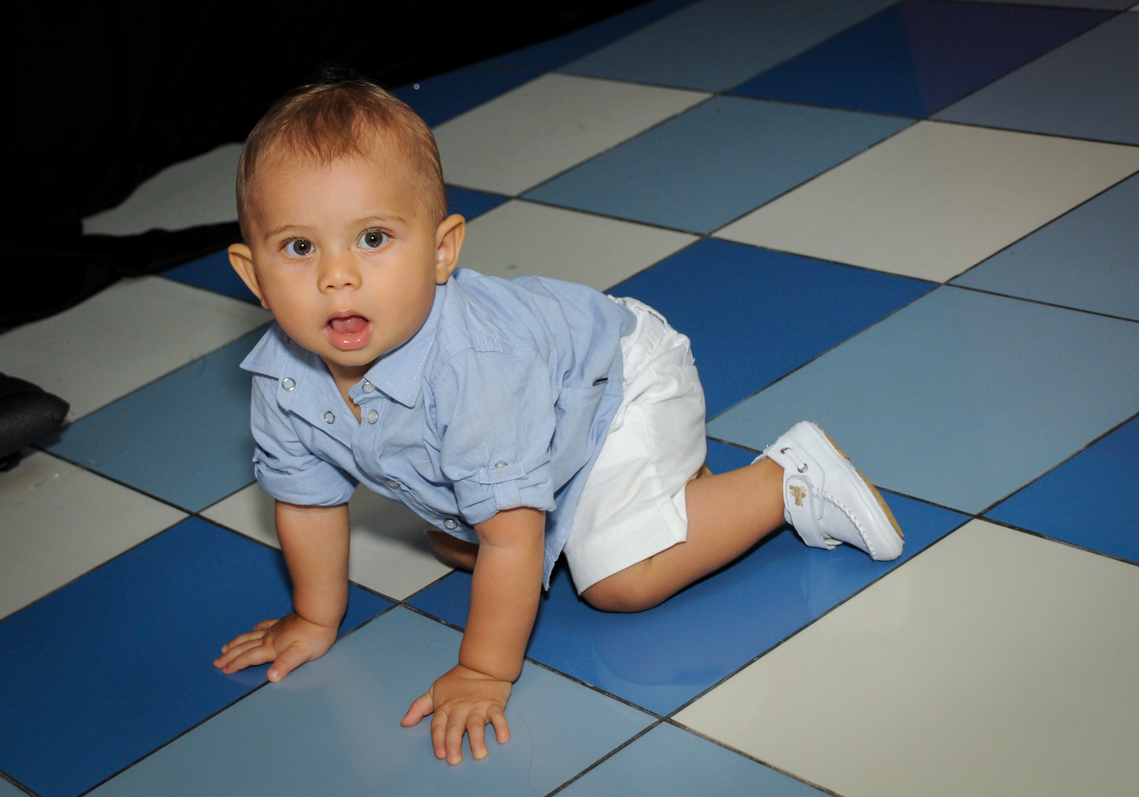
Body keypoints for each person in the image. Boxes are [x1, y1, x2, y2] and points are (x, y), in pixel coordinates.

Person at [213, 75, 904, 766]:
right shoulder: (282, 374)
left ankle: (783, 478)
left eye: (372, 237)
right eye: (300, 248)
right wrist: (313, 616)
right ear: (253, 274)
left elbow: (513, 542)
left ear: (442, 249)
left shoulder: (473, 373)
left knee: (615, 581)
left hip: (621, 381)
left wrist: (485, 670)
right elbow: (306, 505)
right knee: (463, 544)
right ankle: (666, 496)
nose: (338, 275)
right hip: (550, 413)